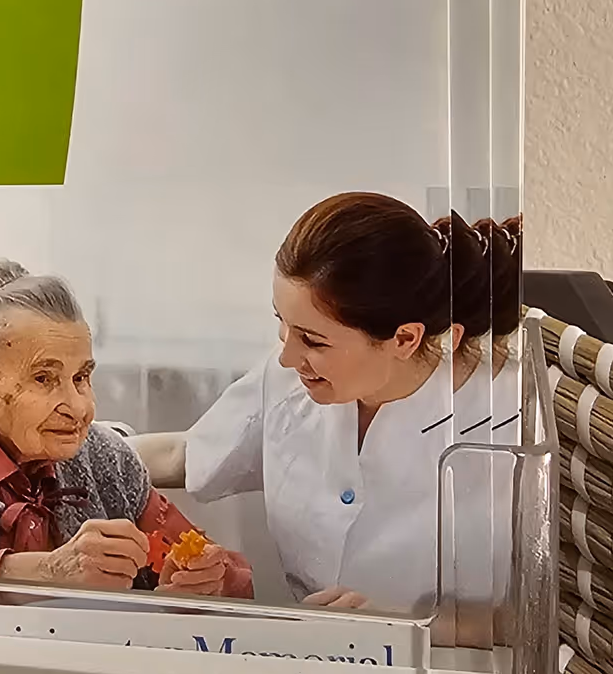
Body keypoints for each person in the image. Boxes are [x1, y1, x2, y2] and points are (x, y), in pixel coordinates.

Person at [138, 193, 476, 614]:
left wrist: (409, 622)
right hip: (311, 655)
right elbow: (188, 454)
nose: (286, 357)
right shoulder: (288, 379)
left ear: (404, 339)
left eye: (313, 340)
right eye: (282, 323)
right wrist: (72, 444)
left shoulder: (498, 422)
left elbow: (533, 614)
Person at [0, 260, 251, 596]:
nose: (79, 407)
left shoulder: (109, 461)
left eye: (81, 377)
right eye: (43, 378)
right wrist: (47, 571)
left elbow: (227, 578)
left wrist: (202, 581)